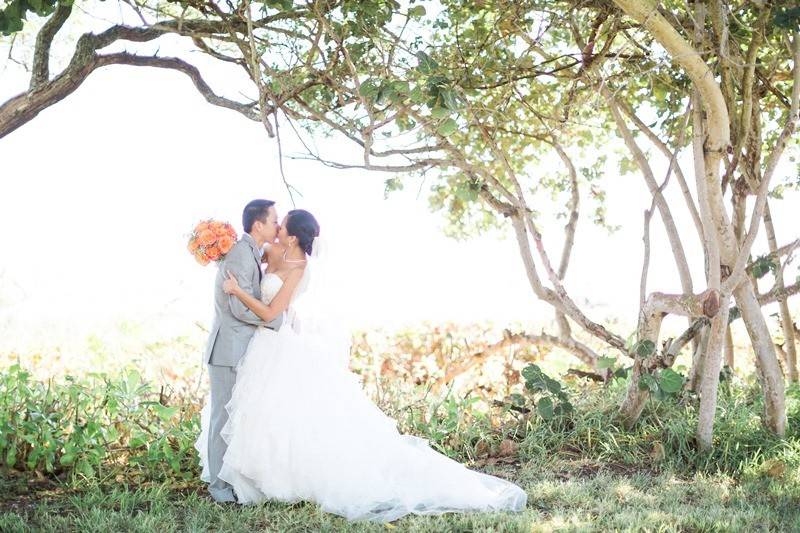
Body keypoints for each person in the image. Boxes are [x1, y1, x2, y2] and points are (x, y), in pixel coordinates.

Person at [196, 209, 527, 521]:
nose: (277, 228)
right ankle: (253, 474)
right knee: (258, 413)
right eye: (276, 222)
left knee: (290, 414)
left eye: (282, 225)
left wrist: (237, 292)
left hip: (277, 342)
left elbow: (270, 314)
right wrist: (216, 250)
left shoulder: (298, 269)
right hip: (261, 346)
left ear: (294, 237)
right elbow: (247, 259)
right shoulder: (273, 252)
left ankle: (294, 476)